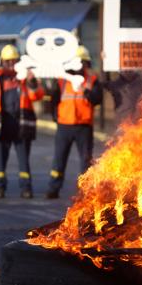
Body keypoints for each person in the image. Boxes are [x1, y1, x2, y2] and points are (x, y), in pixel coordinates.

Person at [0, 44, 44, 199]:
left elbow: (37, 96)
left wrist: (32, 81)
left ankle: (26, 188)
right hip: (2, 125)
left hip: (21, 125)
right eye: (7, 61)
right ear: (1, 61)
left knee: (24, 160)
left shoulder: (25, 78)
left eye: (13, 61)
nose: (10, 64)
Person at [46, 45, 102, 199]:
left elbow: (98, 99)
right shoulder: (63, 80)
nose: (80, 66)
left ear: (86, 64)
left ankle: (85, 192)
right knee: (59, 159)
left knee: (85, 161)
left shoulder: (92, 80)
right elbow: (53, 99)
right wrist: (55, 117)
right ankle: (53, 188)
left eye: (82, 63)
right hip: (65, 126)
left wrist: (85, 90)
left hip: (84, 126)